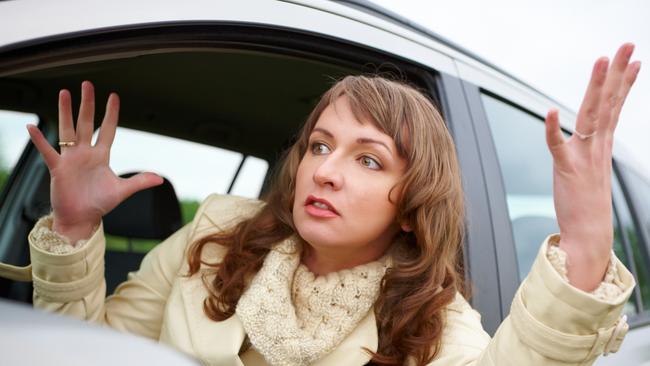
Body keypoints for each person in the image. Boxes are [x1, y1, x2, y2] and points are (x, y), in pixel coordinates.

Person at [18, 43, 640, 365]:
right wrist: (74, 227)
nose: (326, 172)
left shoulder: (435, 326)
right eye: (320, 145)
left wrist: (585, 243)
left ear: (410, 202)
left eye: (368, 159)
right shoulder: (213, 238)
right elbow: (80, 353)